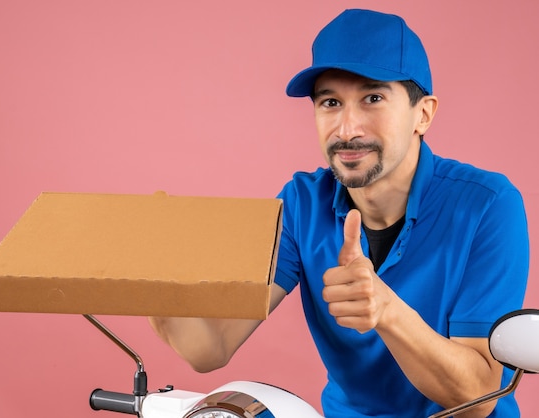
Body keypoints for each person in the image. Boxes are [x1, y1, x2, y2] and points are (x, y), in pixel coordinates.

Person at [149, 8, 529, 417]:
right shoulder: (300, 204)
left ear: (423, 114)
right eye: (330, 102)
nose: (347, 128)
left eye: (373, 98)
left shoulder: (489, 204)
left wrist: (386, 310)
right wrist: (153, 280)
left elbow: (477, 398)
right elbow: (212, 348)